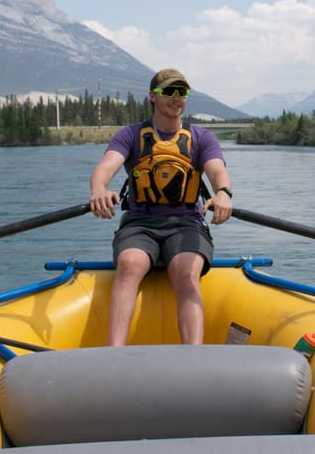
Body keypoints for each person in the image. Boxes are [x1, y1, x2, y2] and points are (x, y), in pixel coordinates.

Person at [88, 68, 233, 345]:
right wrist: (98, 190)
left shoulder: (202, 138)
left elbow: (217, 171)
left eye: (182, 92)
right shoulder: (130, 135)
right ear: (154, 96)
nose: (176, 98)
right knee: (129, 264)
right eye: (169, 91)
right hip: (140, 224)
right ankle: (114, 353)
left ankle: (194, 354)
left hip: (187, 223)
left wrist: (223, 194)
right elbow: (105, 167)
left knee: (185, 272)